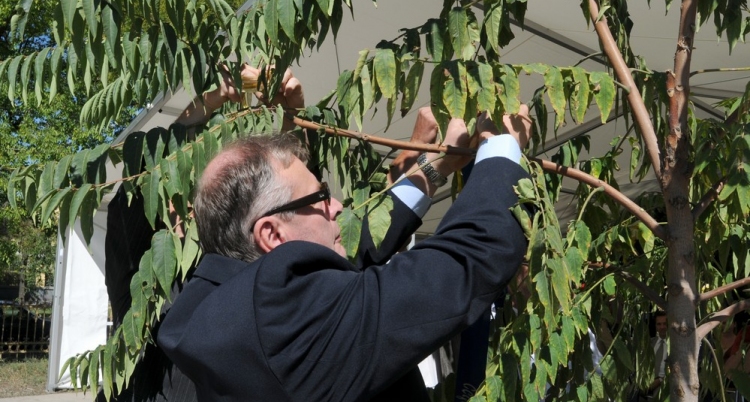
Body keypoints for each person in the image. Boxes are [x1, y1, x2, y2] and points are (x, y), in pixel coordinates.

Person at [157, 102, 533, 402]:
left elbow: (356, 251)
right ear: (271, 233)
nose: (337, 206)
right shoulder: (287, 327)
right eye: (319, 197)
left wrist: (434, 167)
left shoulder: (220, 307)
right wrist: (502, 150)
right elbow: (464, 264)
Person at [99, 63, 303, 401]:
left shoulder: (231, 273)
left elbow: (285, 205)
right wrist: (209, 103)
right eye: (173, 198)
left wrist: (290, 114)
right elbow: (134, 190)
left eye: (198, 200)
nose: (185, 209)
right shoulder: (140, 287)